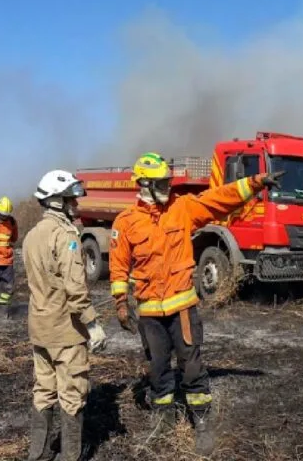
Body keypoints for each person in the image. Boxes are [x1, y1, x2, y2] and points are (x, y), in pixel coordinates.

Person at [108, 152, 284, 455]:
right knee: (158, 368)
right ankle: (163, 420)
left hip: (183, 308)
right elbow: (119, 265)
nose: (168, 186)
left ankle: (202, 422)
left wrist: (255, 183)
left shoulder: (182, 208)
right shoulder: (126, 222)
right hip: (150, 312)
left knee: (191, 365)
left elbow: (219, 199)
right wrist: (121, 303)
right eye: (162, 181)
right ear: (145, 183)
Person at [22, 169, 107, 461]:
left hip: (40, 328)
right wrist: (92, 324)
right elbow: (75, 287)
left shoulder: (32, 236)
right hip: (66, 331)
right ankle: (71, 457)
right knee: (72, 395)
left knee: (43, 390)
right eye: (72, 199)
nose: (76, 204)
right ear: (57, 201)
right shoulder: (66, 235)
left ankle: (39, 454)